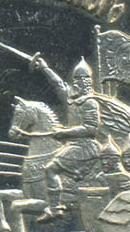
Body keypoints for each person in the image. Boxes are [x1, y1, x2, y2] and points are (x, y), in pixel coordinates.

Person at [32, 56, 102, 222]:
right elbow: (58, 84)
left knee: (50, 169)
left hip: (86, 147)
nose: (75, 83)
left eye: (79, 80)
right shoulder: (72, 100)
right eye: (74, 80)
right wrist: (45, 68)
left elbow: (91, 129)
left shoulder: (90, 103)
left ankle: (55, 209)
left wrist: (65, 132)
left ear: (86, 82)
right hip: (74, 145)